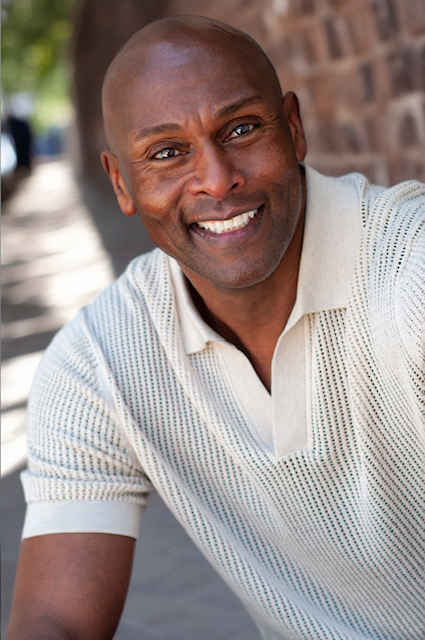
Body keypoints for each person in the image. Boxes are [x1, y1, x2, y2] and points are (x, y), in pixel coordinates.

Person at [7, 15, 425, 640]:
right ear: (121, 183)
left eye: (242, 129)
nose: (216, 177)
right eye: (166, 153)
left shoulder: (408, 269)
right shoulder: (100, 363)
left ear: (294, 128)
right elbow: (56, 620)